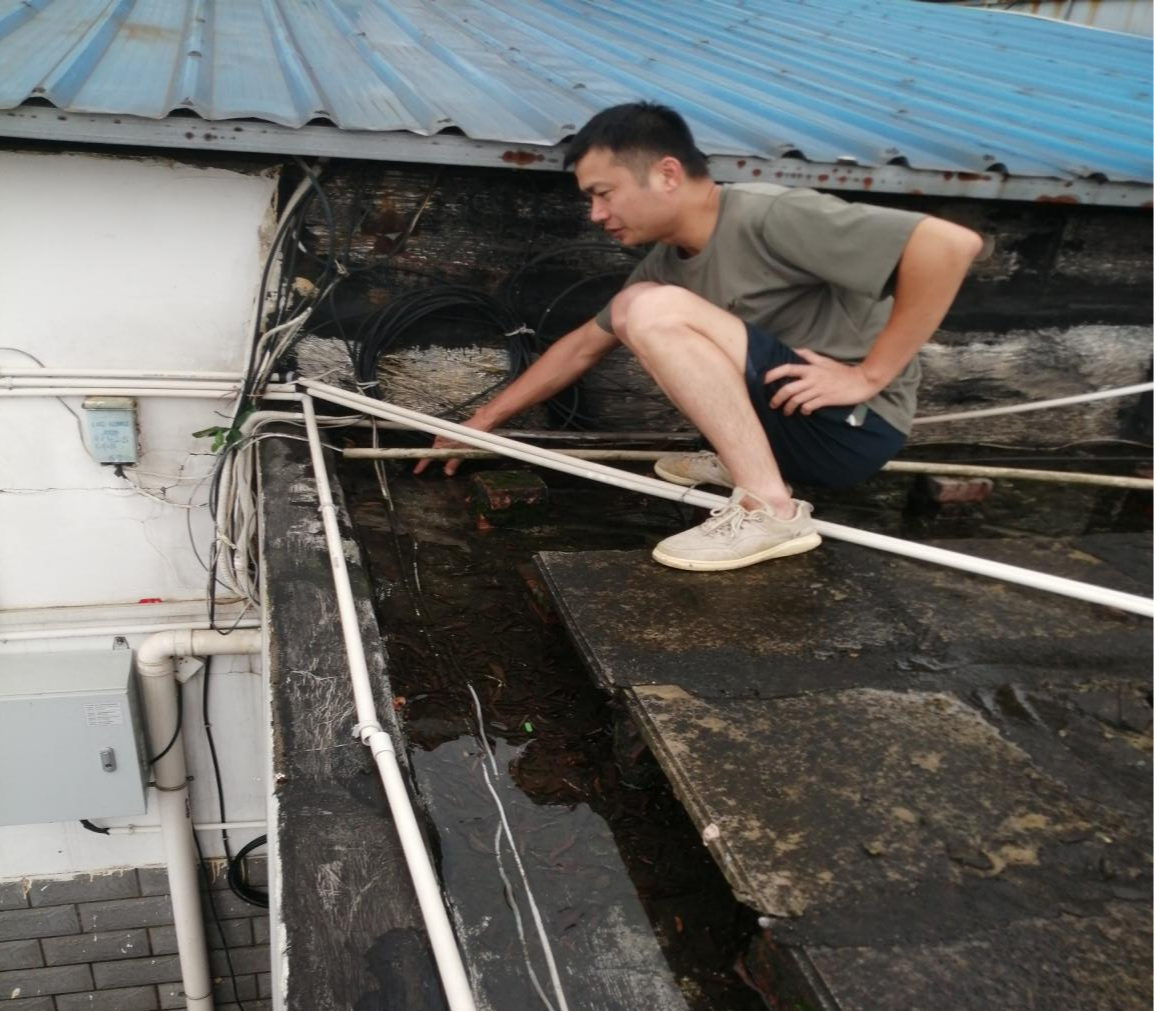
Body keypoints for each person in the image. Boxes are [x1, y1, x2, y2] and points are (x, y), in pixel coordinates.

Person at [416, 102, 983, 571]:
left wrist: (869, 374)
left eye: (603, 193)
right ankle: (746, 463)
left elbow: (949, 246)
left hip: (854, 429)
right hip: (794, 420)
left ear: (666, 174)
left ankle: (769, 509)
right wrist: (481, 425)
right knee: (639, 306)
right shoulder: (665, 264)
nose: (595, 214)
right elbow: (581, 346)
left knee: (646, 309)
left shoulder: (766, 213)